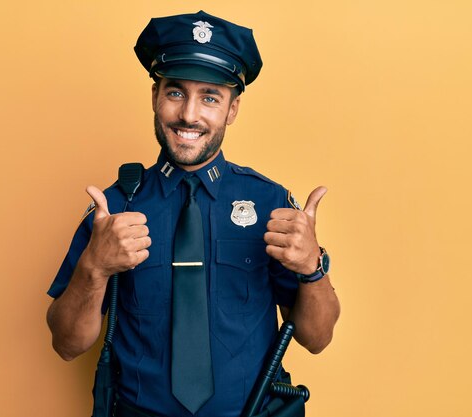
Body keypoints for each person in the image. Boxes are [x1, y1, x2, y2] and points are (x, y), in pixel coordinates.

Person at [46, 10, 340, 417]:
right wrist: (93, 268)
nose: (189, 115)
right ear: (155, 97)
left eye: (210, 97)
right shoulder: (112, 209)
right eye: (176, 92)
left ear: (232, 109)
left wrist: (312, 267)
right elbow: (66, 344)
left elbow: (317, 338)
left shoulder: (271, 202)